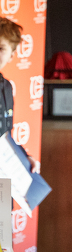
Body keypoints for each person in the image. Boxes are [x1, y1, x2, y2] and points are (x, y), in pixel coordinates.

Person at [0, 17, 40, 173]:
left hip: (4, 174)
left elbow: (6, 135)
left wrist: (24, 157)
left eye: (1, 48)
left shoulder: (7, 87)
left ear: (12, 55)